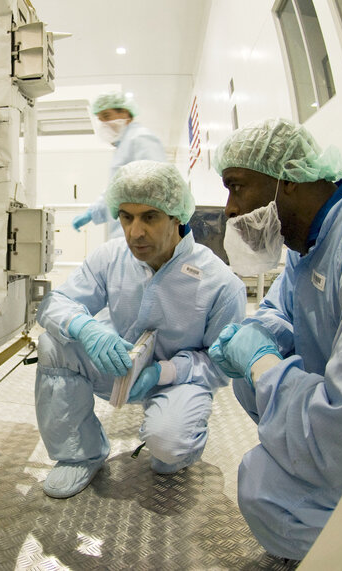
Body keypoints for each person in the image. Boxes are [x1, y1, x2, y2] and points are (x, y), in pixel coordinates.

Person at [208, 118, 342, 560]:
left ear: (289, 180)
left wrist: (262, 362)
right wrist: (261, 336)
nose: (228, 208)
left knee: (266, 489)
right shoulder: (314, 242)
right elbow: (283, 310)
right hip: (338, 431)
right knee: (260, 467)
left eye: (237, 186)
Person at [35, 160, 246, 499]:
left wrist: (162, 372)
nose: (134, 232)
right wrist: (87, 328)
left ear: (177, 216)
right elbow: (54, 304)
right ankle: (79, 454)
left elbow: (221, 366)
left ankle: (181, 440)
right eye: (126, 217)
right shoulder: (110, 257)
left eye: (150, 217)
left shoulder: (220, 284)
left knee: (168, 448)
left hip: (178, 380)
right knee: (52, 344)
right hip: (116, 367)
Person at [72, 91, 166, 238]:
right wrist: (92, 212)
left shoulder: (140, 138)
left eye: (107, 116)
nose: (103, 123)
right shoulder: (123, 146)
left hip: (141, 234)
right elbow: (115, 192)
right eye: (100, 119)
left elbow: (156, 185)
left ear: (125, 114)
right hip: (126, 234)